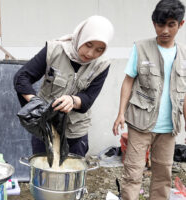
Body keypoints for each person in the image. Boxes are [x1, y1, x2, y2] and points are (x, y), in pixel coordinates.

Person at [112, 0, 186, 199]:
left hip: (169, 128)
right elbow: (128, 81)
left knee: (163, 175)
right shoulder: (141, 47)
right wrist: (120, 113)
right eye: (160, 24)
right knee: (133, 173)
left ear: (181, 24)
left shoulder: (184, 55)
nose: (165, 30)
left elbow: (184, 95)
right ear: (154, 23)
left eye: (171, 24)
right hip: (140, 124)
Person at [14, 15, 114, 157]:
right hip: (45, 127)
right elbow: (22, 78)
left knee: (71, 175)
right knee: (43, 173)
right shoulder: (54, 50)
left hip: (75, 132)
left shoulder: (101, 65)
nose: (91, 53)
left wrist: (72, 100)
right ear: (81, 36)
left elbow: (89, 98)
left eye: (99, 50)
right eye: (88, 44)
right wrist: (36, 104)